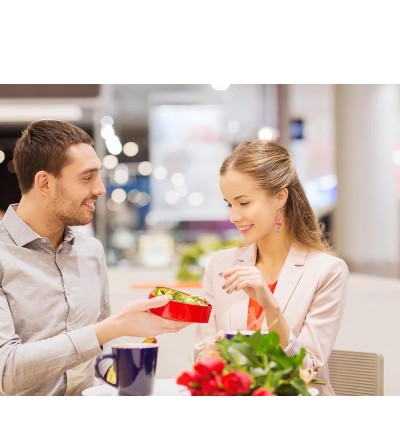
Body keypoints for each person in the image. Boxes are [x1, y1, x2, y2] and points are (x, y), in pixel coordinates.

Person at [0, 120, 189, 396]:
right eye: (87, 177)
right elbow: (5, 372)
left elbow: (99, 354)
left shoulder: (90, 251)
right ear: (44, 182)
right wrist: (110, 329)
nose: (100, 189)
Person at [194, 140, 349, 395]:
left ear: (280, 196)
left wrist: (270, 305)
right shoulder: (220, 265)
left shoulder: (327, 271)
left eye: (243, 203)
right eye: (228, 204)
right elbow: (201, 360)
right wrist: (212, 353)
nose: (233, 216)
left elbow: (309, 371)